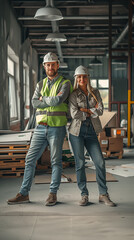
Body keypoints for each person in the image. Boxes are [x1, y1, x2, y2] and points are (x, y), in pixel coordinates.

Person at [7, 52, 72, 206]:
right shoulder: (40, 84)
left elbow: (58, 100)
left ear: (57, 65)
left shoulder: (65, 83)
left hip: (57, 127)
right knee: (30, 159)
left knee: (56, 161)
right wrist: (45, 100)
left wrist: (43, 99)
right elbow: (35, 103)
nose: (50, 66)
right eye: (47, 64)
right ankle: (24, 193)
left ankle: (52, 194)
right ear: (44, 66)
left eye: (53, 64)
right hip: (40, 128)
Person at [68, 65, 116, 207]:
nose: (82, 79)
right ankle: (84, 195)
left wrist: (83, 109)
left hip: (91, 132)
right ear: (76, 78)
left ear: (88, 77)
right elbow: (74, 113)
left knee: (100, 162)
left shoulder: (95, 92)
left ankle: (103, 194)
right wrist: (90, 111)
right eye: (79, 77)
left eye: (84, 76)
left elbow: (100, 111)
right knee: (80, 163)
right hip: (76, 132)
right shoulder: (73, 94)